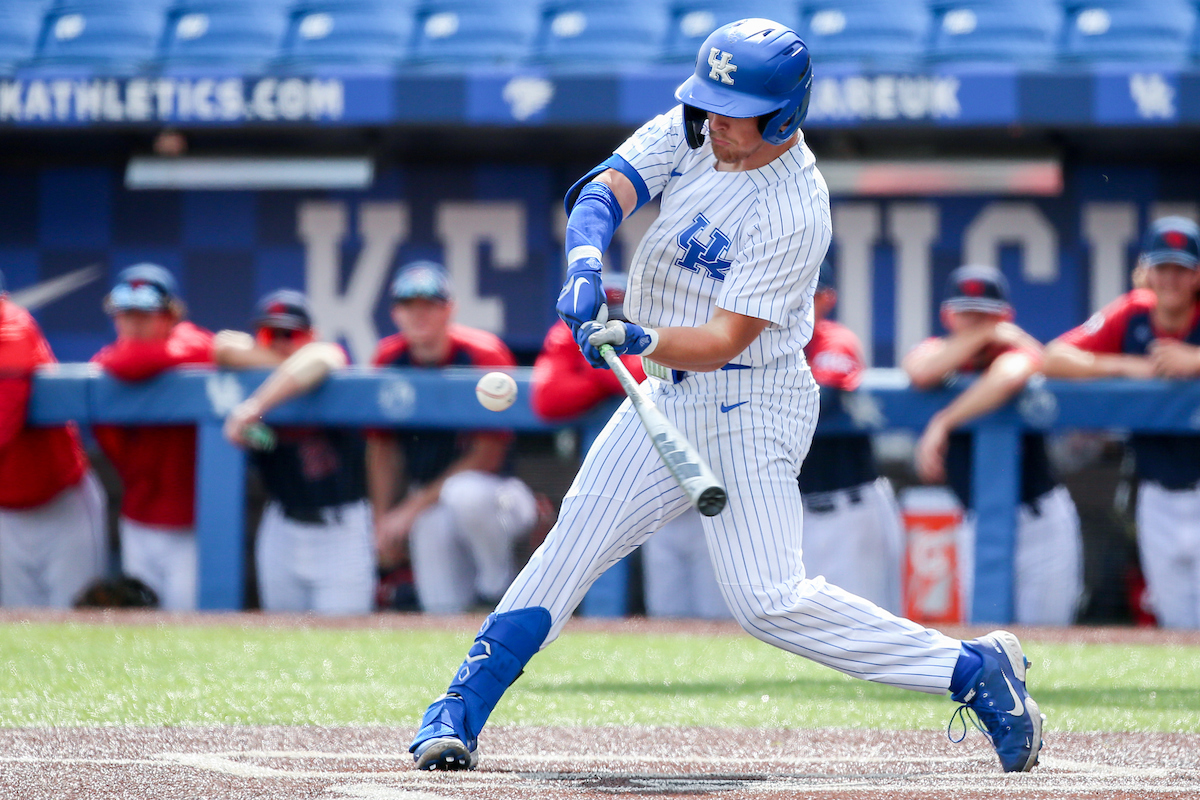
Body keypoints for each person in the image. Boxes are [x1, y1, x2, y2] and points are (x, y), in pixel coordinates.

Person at [409, 18, 1043, 775]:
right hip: (670, 396)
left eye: (731, 108)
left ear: (782, 116)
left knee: (767, 601)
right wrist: (584, 261)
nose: (712, 118)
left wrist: (635, 336)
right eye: (706, 101)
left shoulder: (796, 207)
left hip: (752, 400)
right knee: (569, 548)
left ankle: (974, 672)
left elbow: (721, 340)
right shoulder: (698, 127)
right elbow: (604, 190)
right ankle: (457, 710)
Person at [532, 275, 728, 620]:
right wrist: (606, 371)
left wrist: (596, 366)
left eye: (626, 323)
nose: (616, 333)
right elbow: (547, 399)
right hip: (655, 502)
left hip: (709, 491)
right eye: (611, 324)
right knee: (667, 613)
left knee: (724, 614)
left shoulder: (679, 328)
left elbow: (648, 377)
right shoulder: (570, 335)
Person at [902, 265, 1083, 626]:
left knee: (1048, 638)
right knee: (985, 639)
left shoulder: (1015, 350)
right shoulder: (938, 352)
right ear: (947, 316)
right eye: (966, 312)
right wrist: (981, 335)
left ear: (1005, 317)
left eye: (984, 314)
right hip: (977, 522)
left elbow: (1011, 374)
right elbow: (919, 370)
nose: (975, 323)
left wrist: (944, 421)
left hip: (1040, 521)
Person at [1043, 216, 1200, 629]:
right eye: (1162, 267)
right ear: (1147, 270)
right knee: (1178, 624)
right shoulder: (1133, 313)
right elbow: (1053, 357)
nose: (1171, 279)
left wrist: (1194, 360)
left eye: (1181, 269)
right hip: (1157, 494)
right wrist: (1129, 365)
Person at [369, 261, 538, 614]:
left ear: (450, 308)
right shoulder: (389, 357)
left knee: (462, 494)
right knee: (440, 600)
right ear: (395, 312)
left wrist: (407, 510)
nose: (419, 314)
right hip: (429, 505)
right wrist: (384, 521)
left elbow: (489, 454)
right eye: (409, 305)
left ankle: (496, 585)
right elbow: (381, 446)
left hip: (499, 498)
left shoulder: (482, 353)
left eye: (429, 304)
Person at [216, 289, 374, 615]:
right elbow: (222, 346)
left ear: (310, 335)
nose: (279, 341)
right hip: (282, 526)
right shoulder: (262, 374)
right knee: (284, 644)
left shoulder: (325, 361)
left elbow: (322, 358)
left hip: (340, 529)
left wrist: (253, 407)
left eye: (290, 333)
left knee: (342, 643)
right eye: (269, 333)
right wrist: (277, 368)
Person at [91, 264, 214, 611]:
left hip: (190, 527)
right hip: (138, 522)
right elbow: (111, 445)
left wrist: (125, 360)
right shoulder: (109, 363)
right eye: (125, 314)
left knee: (190, 631)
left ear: (170, 315)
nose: (133, 324)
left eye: (145, 314)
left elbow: (195, 348)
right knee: (140, 634)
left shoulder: (190, 339)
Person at [800, 260, 904, 614]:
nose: (794, 302)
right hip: (793, 512)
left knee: (865, 623)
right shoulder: (763, 344)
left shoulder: (836, 340)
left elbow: (819, 401)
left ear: (827, 299)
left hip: (849, 510)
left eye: (807, 294)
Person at [0, 268, 107, 608]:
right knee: (20, 632)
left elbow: (3, 420)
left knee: (79, 624)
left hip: (60, 503)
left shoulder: (12, 324)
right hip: (6, 512)